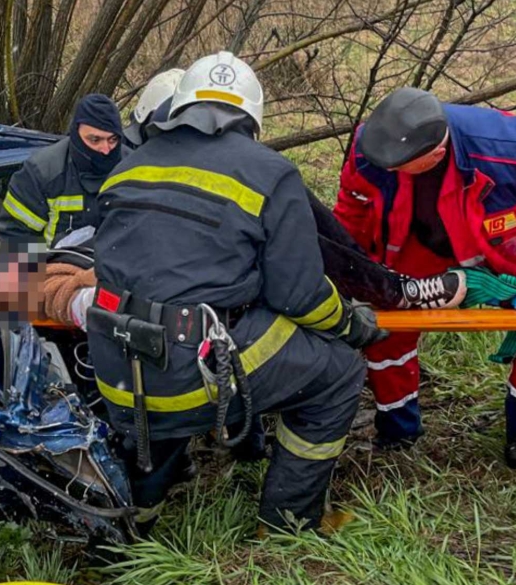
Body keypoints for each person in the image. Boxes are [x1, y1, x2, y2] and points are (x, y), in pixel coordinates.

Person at [89, 52, 383, 531]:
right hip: (194, 370)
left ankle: (130, 524)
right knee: (338, 371)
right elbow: (300, 295)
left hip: (117, 373)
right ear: (251, 117)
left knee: (162, 376)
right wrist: (351, 324)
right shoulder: (271, 173)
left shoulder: (129, 166)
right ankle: (292, 519)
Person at [334, 87, 516, 468]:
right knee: (386, 322)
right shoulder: (373, 147)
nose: (387, 170)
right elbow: (349, 217)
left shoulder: (515, 149)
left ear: (435, 155)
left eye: (398, 165)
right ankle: (399, 428)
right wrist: (350, 277)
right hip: (417, 245)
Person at [0, 93, 124, 248]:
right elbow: (14, 238)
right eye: (95, 140)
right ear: (76, 134)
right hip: (53, 267)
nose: (105, 150)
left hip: (120, 267)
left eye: (113, 140)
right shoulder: (41, 172)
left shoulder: (133, 167)